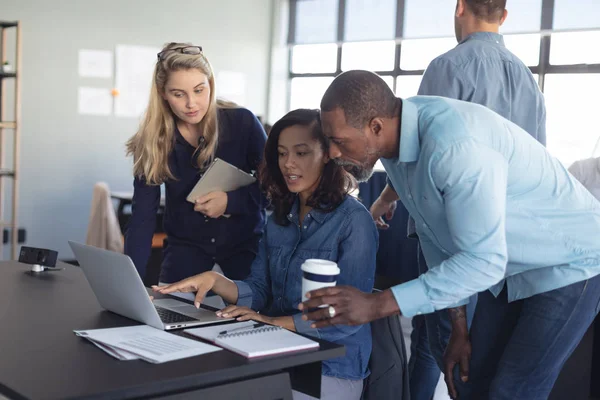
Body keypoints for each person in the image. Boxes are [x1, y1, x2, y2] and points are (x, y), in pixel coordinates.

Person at [299, 70, 600, 400]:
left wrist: (377, 304)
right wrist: (459, 325)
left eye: (339, 140)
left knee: (512, 390)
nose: (332, 152)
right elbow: (437, 237)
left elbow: (483, 262)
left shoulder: (454, 148)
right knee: (470, 381)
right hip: (509, 265)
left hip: (570, 260)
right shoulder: (396, 139)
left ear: (375, 126)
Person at [370, 1, 547, 398]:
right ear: (504, 15)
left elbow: (416, 147)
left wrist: (384, 198)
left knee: (439, 344)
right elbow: (536, 162)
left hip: (450, 227)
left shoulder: (448, 66)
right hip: (507, 239)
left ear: (459, 6)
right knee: (479, 347)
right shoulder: (527, 77)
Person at [154, 109, 378, 400]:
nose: (288, 164)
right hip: (276, 355)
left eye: (301, 153)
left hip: (330, 368)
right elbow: (259, 289)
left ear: (327, 154)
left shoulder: (353, 221)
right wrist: (215, 280)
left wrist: (273, 322)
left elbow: (350, 315)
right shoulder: (280, 219)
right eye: (282, 153)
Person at [125, 42, 267, 285]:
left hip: (247, 258)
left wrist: (231, 201)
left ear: (210, 84)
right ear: (162, 93)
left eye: (199, 90)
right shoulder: (151, 141)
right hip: (183, 261)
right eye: (178, 94)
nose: (191, 103)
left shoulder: (242, 123)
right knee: (170, 319)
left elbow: (278, 188)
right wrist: (130, 284)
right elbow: (142, 220)